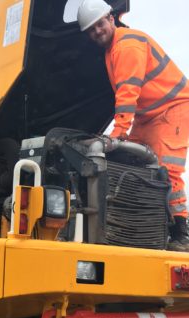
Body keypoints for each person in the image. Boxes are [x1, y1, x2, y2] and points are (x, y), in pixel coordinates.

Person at [77, 0, 189, 251]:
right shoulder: (111, 50)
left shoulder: (126, 46)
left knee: (167, 170)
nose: (97, 31)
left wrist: (118, 133)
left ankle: (180, 234)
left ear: (111, 18)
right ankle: (137, 227)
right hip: (148, 116)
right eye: (91, 30)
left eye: (100, 24)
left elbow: (128, 92)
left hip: (172, 109)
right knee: (129, 163)